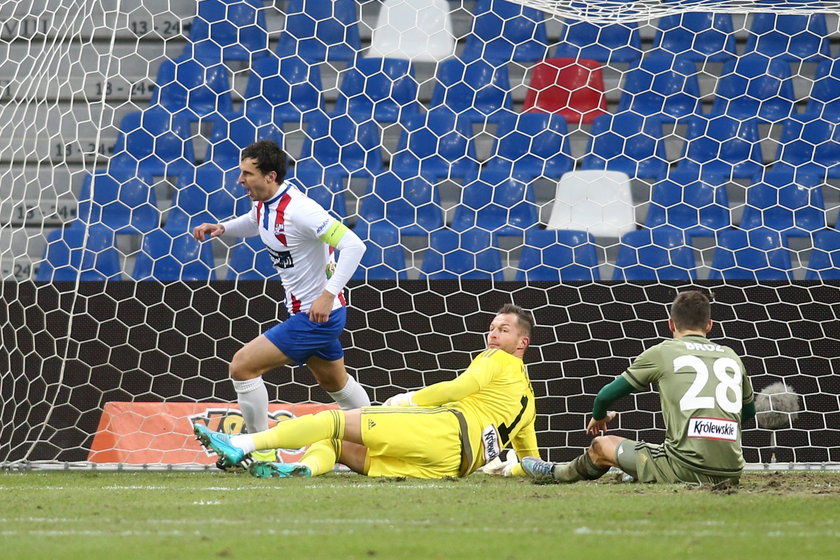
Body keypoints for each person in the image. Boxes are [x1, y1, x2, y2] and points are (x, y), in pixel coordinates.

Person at [193, 304, 540, 479]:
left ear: (522, 342)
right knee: (337, 446)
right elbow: (531, 461)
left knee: (333, 420)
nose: (493, 335)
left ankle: (242, 444)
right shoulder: (530, 402)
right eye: (492, 328)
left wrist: (410, 399)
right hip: (453, 467)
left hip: (445, 431)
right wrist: (505, 468)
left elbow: (462, 386)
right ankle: (303, 470)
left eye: (504, 330)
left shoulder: (497, 359)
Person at [192, 140, 370, 464]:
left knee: (242, 366)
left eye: (247, 173)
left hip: (317, 316)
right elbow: (254, 220)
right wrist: (222, 228)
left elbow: (354, 245)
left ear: (271, 176)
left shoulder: (301, 210)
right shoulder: (265, 202)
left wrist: (327, 295)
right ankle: (377, 434)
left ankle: (261, 451)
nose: (240, 180)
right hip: (312, 314)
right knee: (336, 383)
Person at [521, 290, 755, 485]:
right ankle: (642, 470)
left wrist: (599, 417)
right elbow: (748, 413)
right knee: (660, 449)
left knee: (602, 445)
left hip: (685, 468)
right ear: (710, 325)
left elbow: (603, 396)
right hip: (732, 472)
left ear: (671, 324)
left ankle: (556, 473)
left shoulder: (663, 352)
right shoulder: (732, 356)